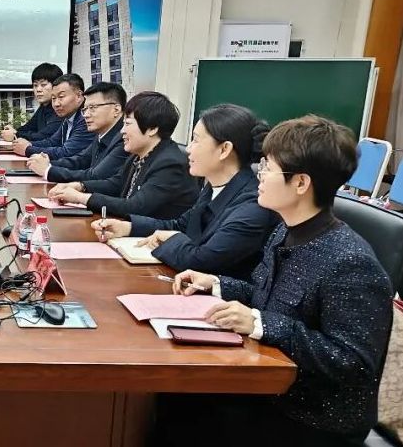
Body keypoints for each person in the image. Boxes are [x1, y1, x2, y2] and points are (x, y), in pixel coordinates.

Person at [158, 115, 393, 447]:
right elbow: (266, 294)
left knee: (181, 414)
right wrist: (215, 284)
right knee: (168, 401)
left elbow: (353, 362)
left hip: (311, 420)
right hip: (269, 389)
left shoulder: (351, 263)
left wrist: (262, 324)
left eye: (268, 168)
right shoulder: (285, 230)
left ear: (301, 183)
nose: (259, 176)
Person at [92, 104, 275, 279]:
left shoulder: (253, 205)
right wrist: (128, 227)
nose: (188, 148)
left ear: (224, 149)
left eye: (196, 140)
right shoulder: (214, 187)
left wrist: (173, 239)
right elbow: (181, 225)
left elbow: (202, 260)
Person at [49, 91, 198, 219]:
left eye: (127, 124)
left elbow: (135, 207)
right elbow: (116, 183)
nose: (122, 131)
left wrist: (80, 198)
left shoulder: (170, 164)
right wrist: (80, 186)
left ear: (152, 129)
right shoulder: (139, 155)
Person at [27, 81, 128, 183]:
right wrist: (47, 163)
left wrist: (48, 170)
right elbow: (80, 160)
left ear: (116, 109)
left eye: (92, 108)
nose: (86, 115)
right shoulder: (102, 133)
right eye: (85, 109)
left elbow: (96, 176)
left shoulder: (125, 138)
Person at [10, 73, 95, 161]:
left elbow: (66, 152)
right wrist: (28, 144)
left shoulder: (86, 118)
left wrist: (28, 149)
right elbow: (52, 142)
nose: (56, 104)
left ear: (79, 96)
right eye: (53, 98)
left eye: (61, 97)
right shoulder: (69, 117)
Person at [0, 62, 64, 143]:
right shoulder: (44, 107)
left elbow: (44, 136)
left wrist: (15, 134)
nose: (38, 90)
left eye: (43, 85)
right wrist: (12, 131)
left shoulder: (60, 108)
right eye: (35, 85)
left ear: (56, 86)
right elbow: (27, 128)